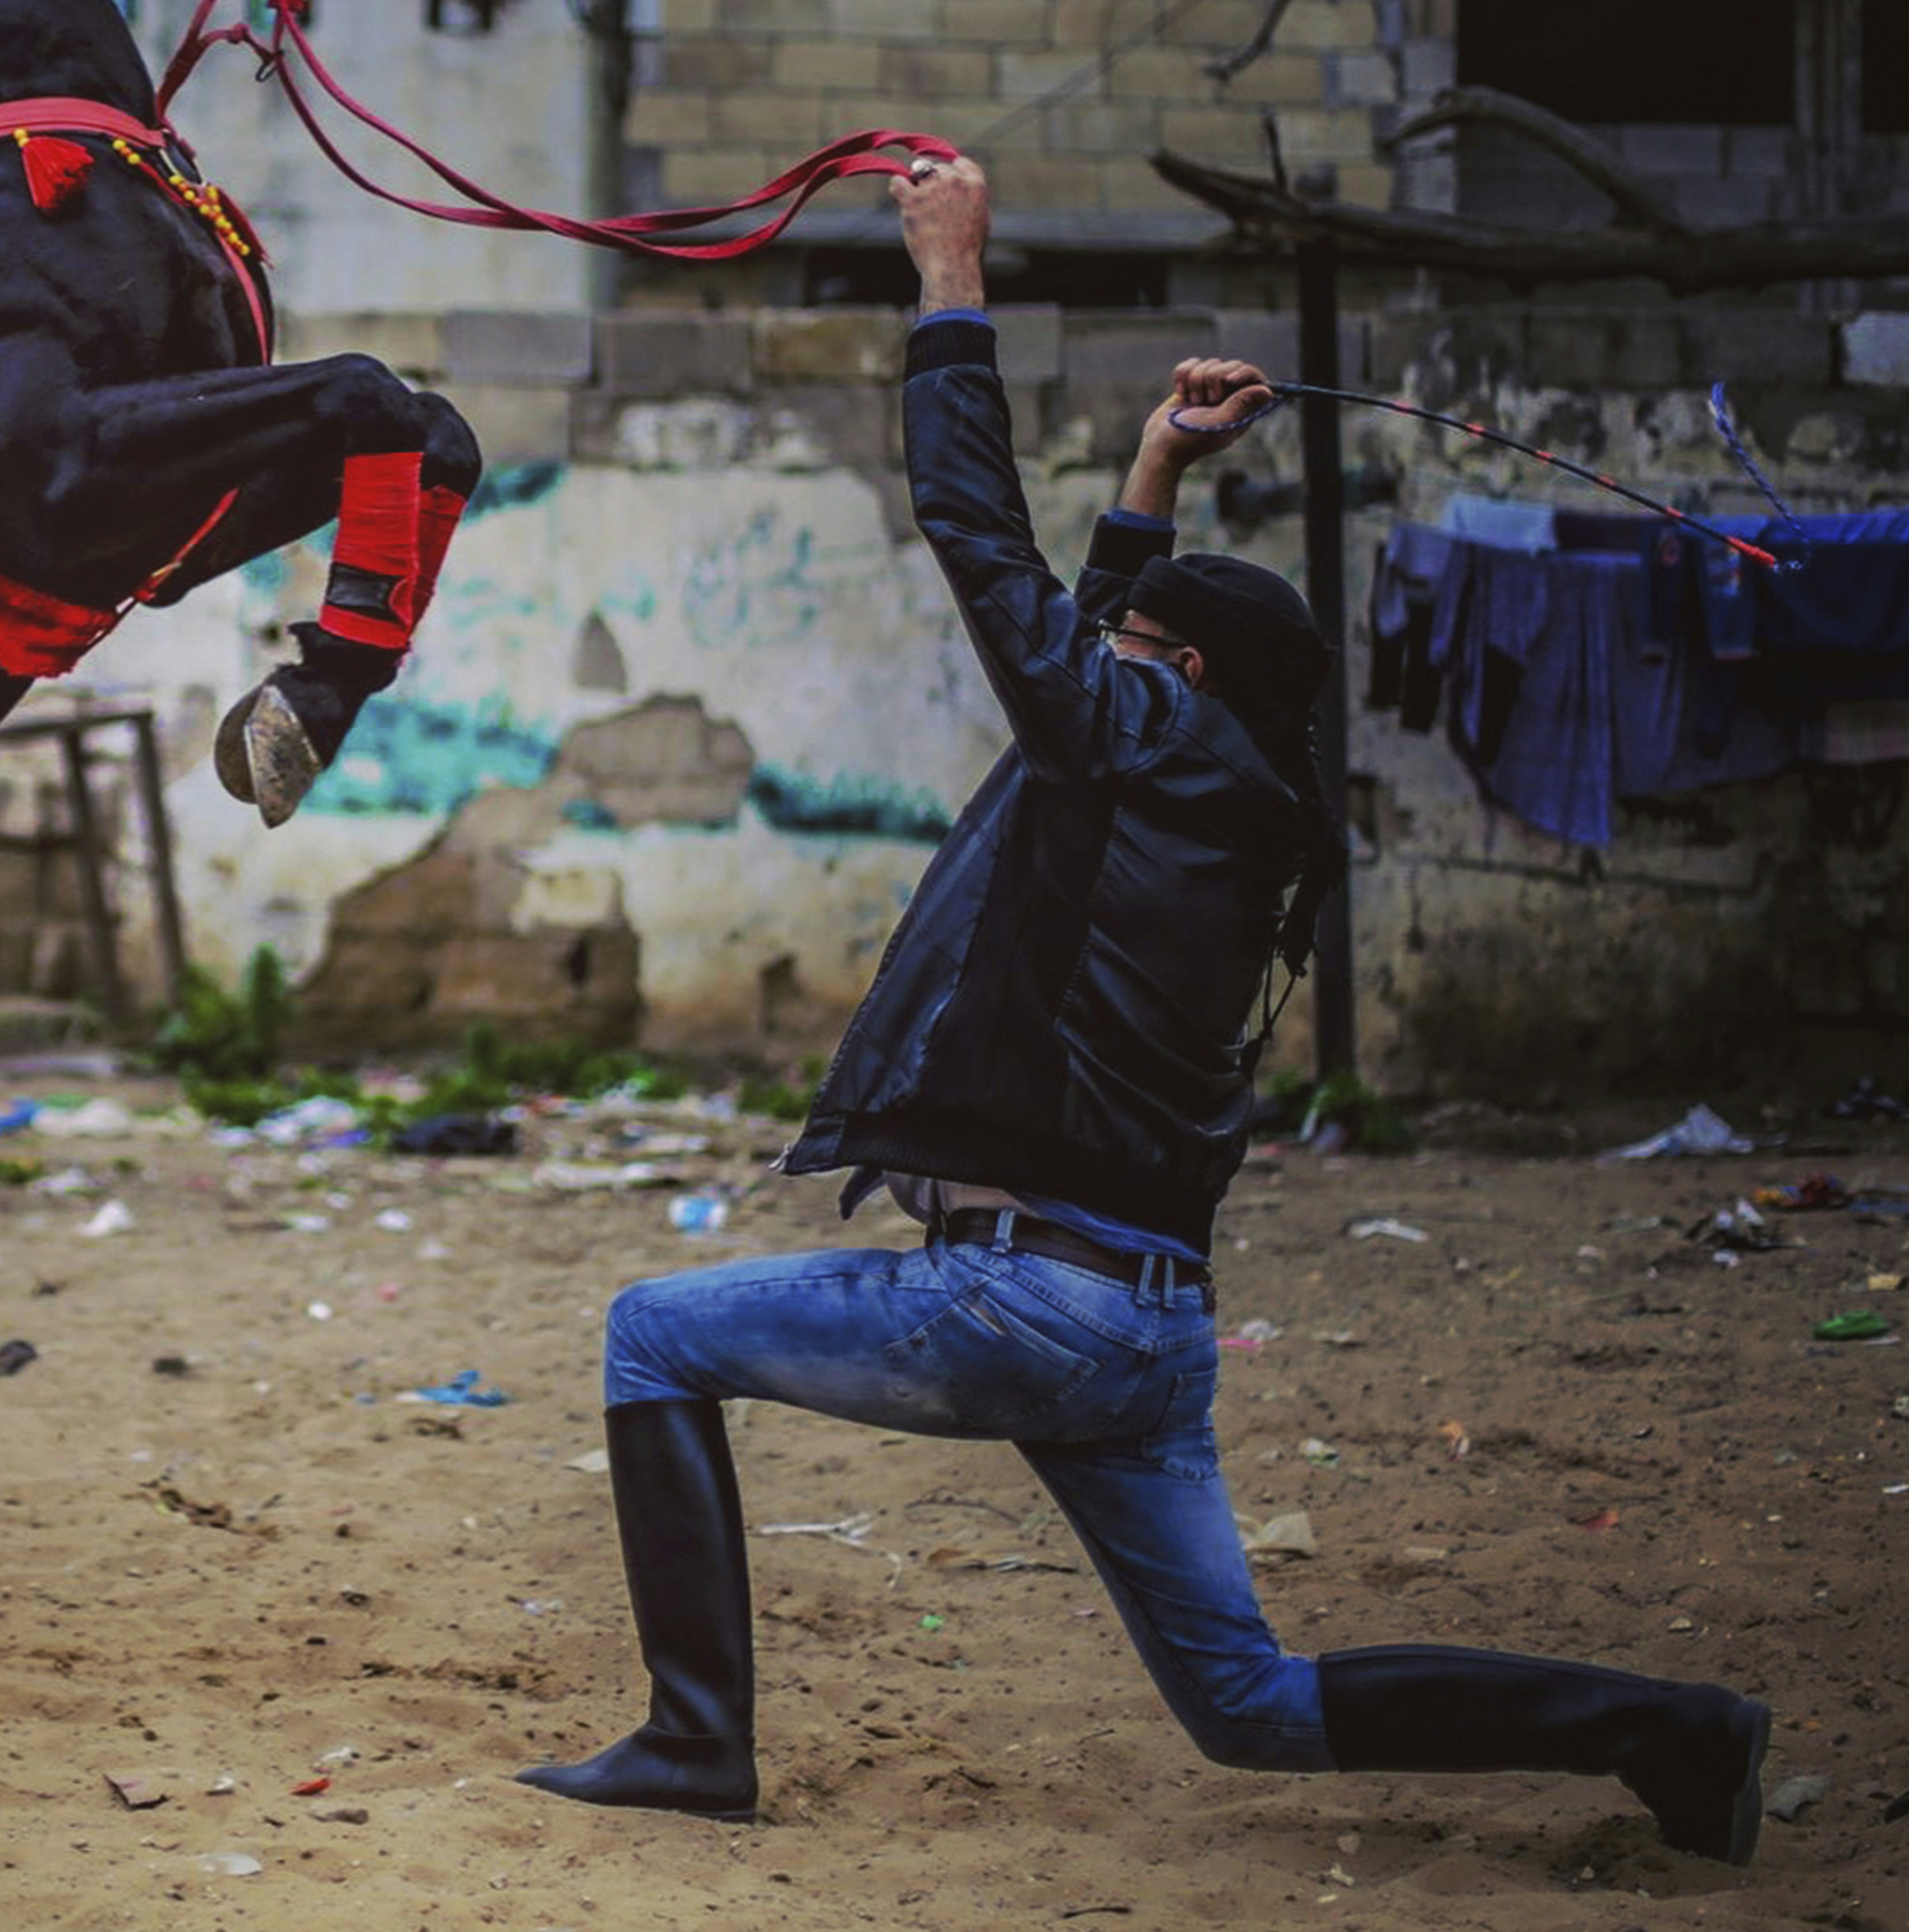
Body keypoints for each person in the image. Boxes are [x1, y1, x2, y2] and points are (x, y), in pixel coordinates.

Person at [516, 151, 1773, 1864]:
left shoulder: (1148, 748)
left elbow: (982, 547)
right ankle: (1670, 1731)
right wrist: (1158, 465)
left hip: (1030, 1309)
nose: (1088, 658)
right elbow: (1093, 633)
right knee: (1247, 1706)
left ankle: (695, 1744)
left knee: (653, 1334)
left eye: (1128, 650)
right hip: (1145, 1333)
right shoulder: (1204, 786)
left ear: (1171, 680)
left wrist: (953, 283)